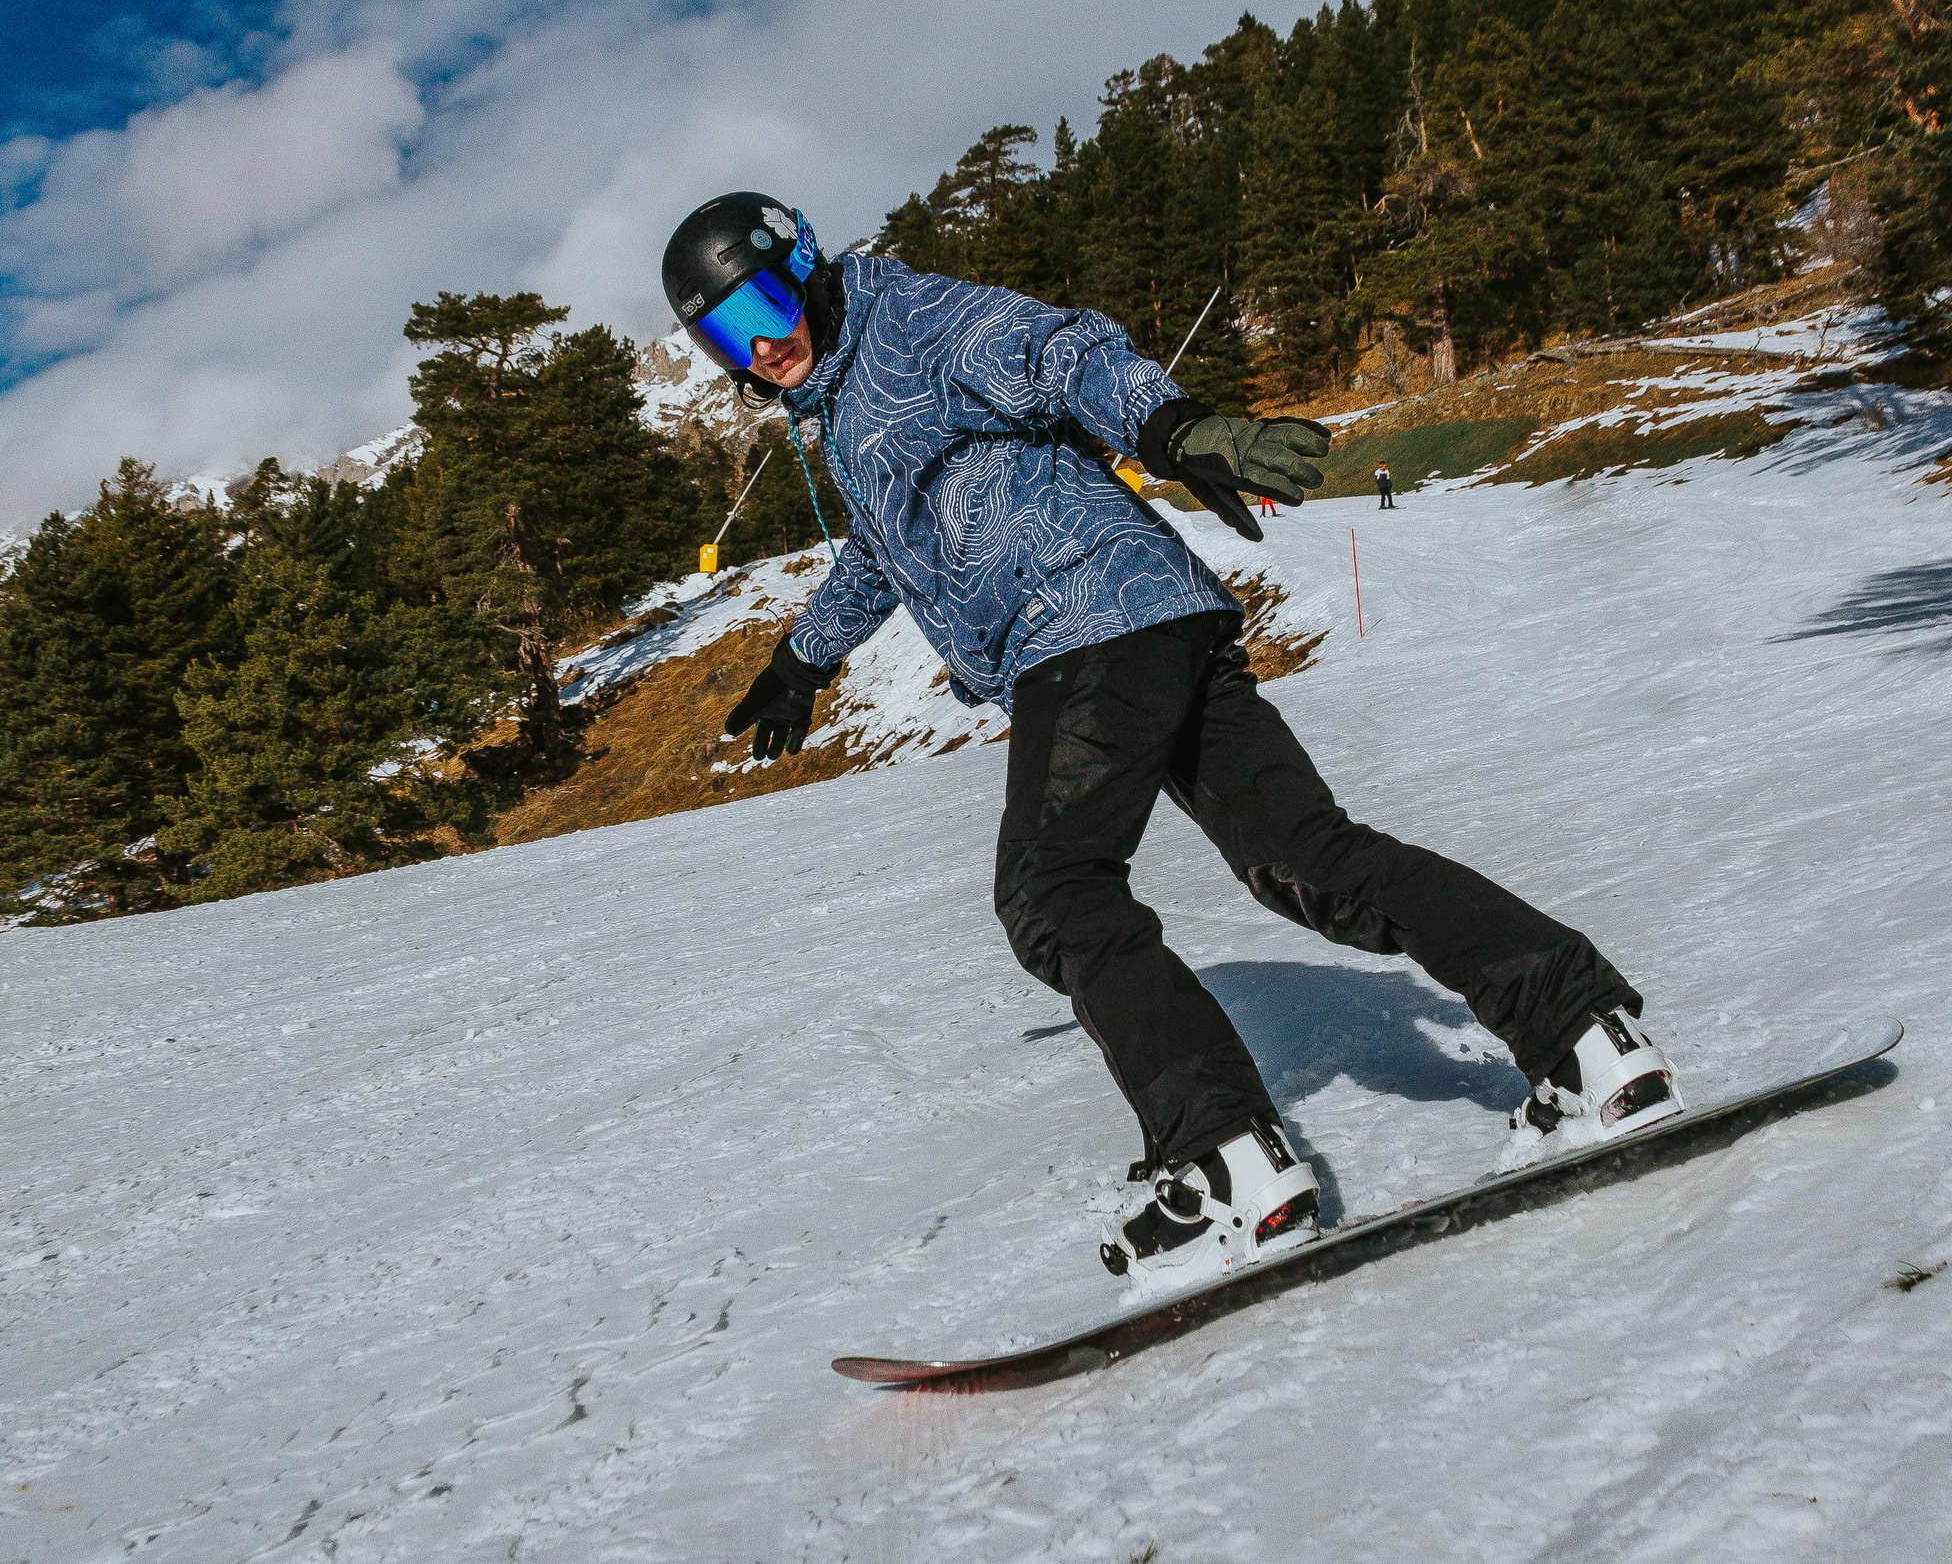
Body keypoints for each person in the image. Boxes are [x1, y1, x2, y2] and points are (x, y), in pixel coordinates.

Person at [662, 192, 1681, 1293]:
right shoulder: (847, 393)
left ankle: (1224, 1161)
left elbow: (1058, 351)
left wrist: (1171, 427)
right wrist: (803, 657)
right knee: (1309, 860)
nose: (762, 345)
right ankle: (1582, 1034)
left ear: (806, 268)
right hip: (1152, 619)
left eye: (765, 303)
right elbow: (884, 543)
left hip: (1082, 621)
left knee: (1054, 893)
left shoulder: (906, 319)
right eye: (726, 333)